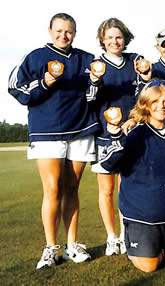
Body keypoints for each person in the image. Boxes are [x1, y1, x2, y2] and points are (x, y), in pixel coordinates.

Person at [8, 13, 99, 269]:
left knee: (72, 189)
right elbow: (15, 87)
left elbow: (94, 96)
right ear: (50, 31)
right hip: (47, 132)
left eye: (68, 31)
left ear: (75, 33)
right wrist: (43, 83)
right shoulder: (36, 57)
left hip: (80, 130)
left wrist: (95, 85)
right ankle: (50, 248)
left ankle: (72, 245)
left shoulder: (87, 59)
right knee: (52, 190)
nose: (63, 35)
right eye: (59, 31)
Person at [99, 79, 165, 272]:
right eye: (155, 101)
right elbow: (109, 164)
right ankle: (135, 242)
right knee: (150, 266)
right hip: (143, 216)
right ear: (145, 104)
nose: (161, 106)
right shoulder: (134, 132)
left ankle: (160, 244)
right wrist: (116, 136)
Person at [89, 17, 146, 256]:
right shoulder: (96, 64)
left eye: (118, 37)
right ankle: (112, 237)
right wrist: (93, 81)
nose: (114, 41)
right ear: (102, 40)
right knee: (107, 189)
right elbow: (89, 99)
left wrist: (134, 117)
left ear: (125, 38)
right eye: (109, 37)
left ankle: (126, 234)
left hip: (131, 133)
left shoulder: (136, 61)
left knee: (127, 188)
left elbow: (145, 94)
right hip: (105, 135)